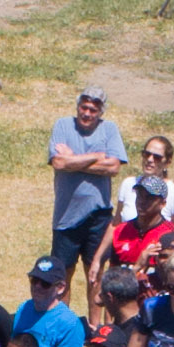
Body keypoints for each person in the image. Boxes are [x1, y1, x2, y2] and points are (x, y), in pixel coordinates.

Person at [44, 84, 126, 269]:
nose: (87, 113)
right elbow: (59, 163)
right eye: (84, 107)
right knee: (61, 275)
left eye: (93, 110)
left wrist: (72, 160)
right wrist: (96, 156)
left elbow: (113, 167)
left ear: (100, 113)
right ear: (77, 106)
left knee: (95, 273)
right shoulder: (63, 125)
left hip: (99, 215)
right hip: (66, 215)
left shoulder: (109, 129)